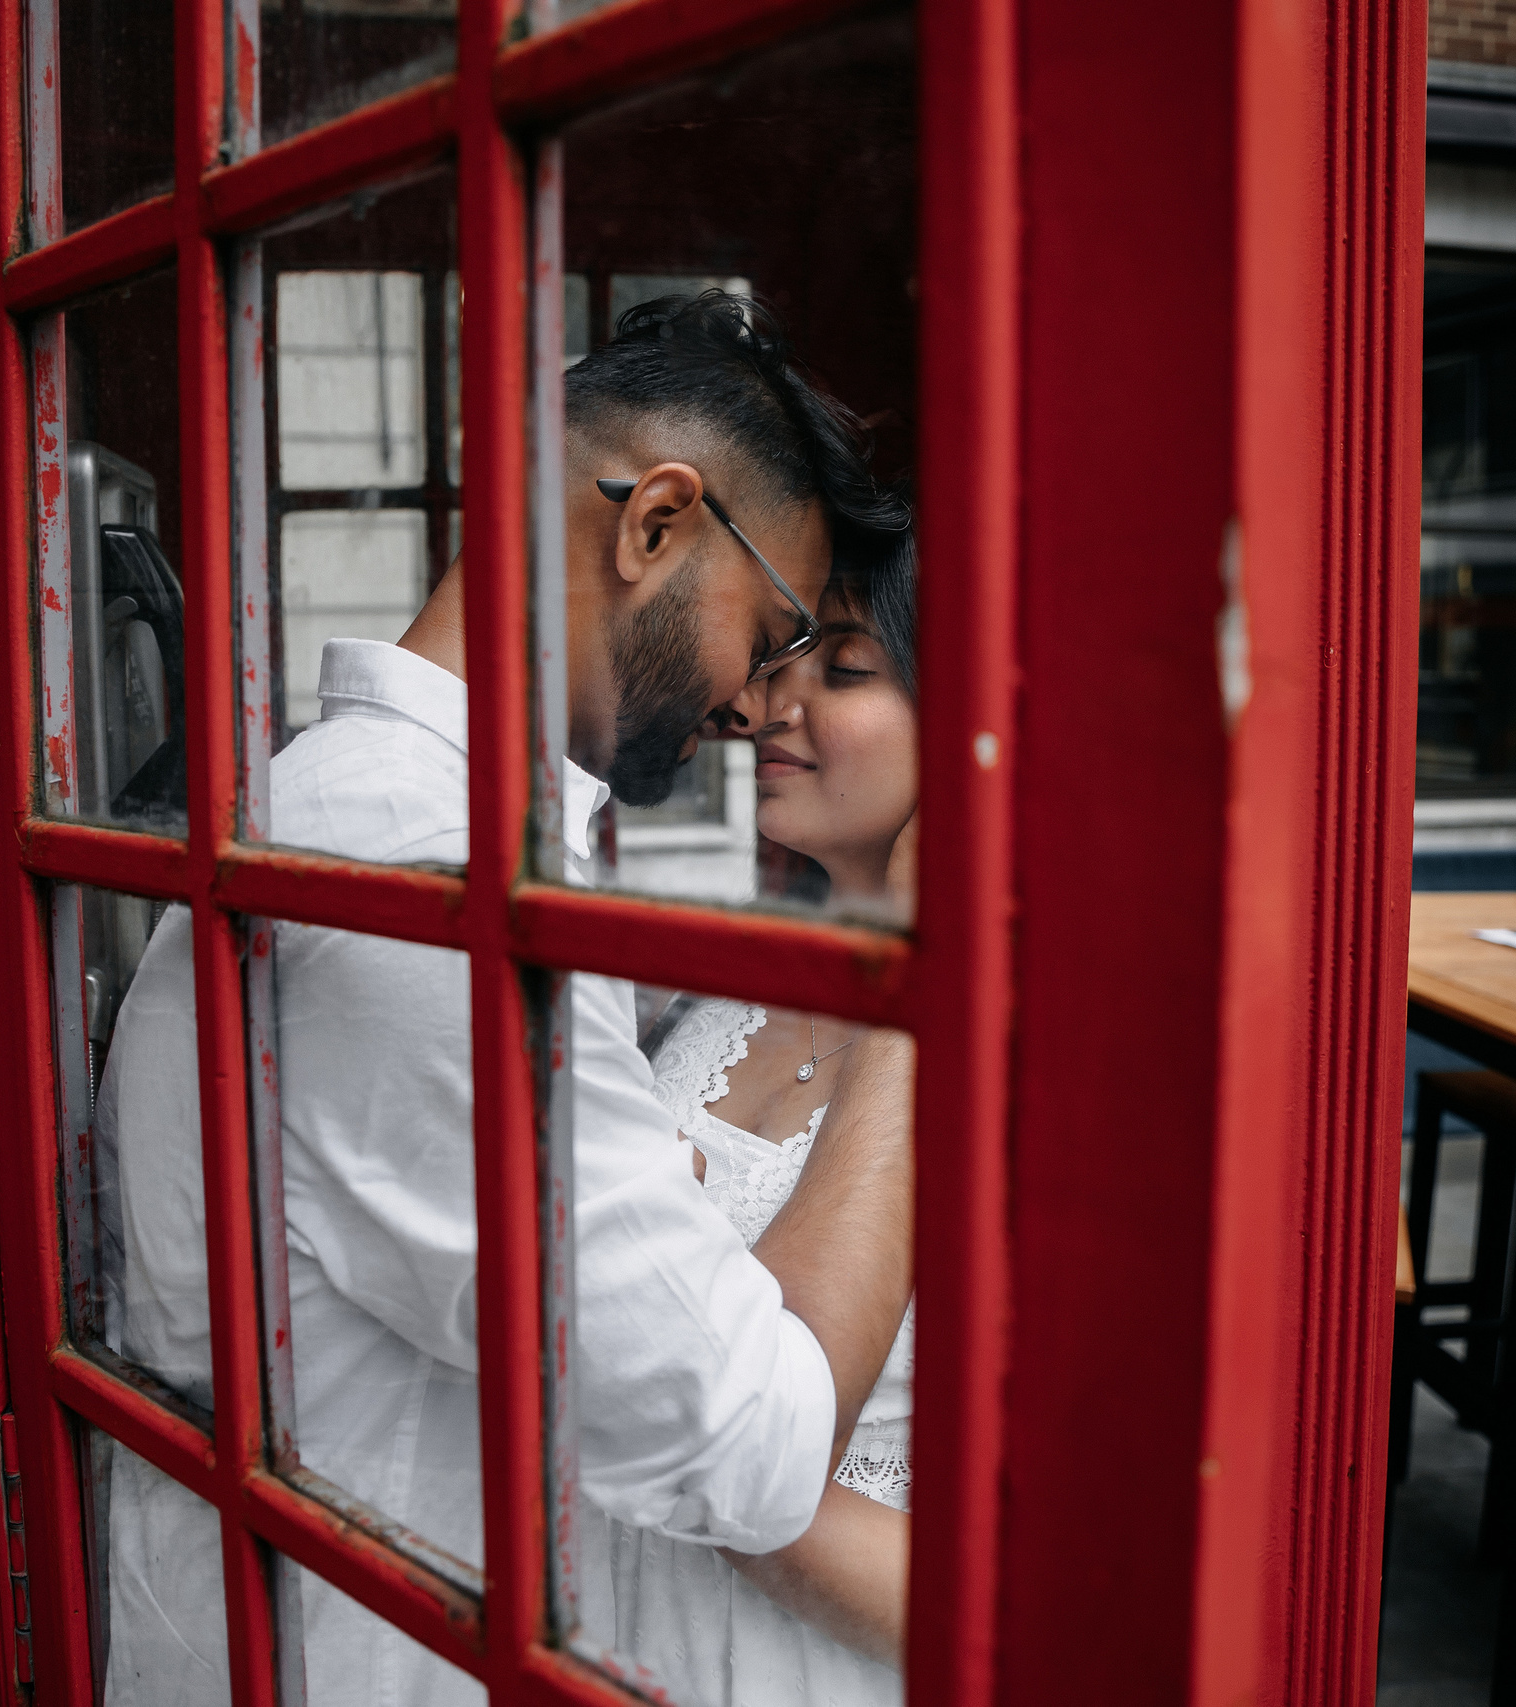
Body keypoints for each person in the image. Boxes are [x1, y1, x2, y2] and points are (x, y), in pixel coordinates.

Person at [91, 292, 917, 1706]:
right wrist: (915, 959)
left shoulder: (341, 809)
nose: (747, 703)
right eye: (773, 625)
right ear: (656, 524)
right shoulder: (429, 874)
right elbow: (749, 1445)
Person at [613, 526, 921, 1703]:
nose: (760, 705)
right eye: (776, 660)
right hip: (616, 1633)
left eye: (843, 669)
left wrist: (694, 1461)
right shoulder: (736, 981)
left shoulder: (1059, 1064)